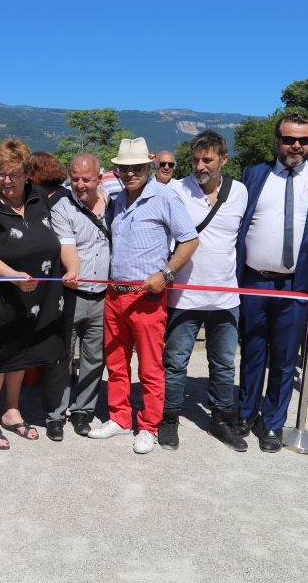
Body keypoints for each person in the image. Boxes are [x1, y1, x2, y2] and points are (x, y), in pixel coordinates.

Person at [235, 113, 308, 452]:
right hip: (253, 282)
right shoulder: (254, 175)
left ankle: (272, 424)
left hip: (296, 286)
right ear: (277, 140)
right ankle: (245, 412)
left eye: (303, 140)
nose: (296, 146)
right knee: (252, 350)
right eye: (289, 139)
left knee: (284, 359)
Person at [89, 138, 198, 454]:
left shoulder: (165, 197)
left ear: (148, 167)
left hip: (147, 296)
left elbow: (189, 241)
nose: (131, 172)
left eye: (137, 167)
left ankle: (149, 425)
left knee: (150, 366)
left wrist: (166, 274)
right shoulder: (116, 199)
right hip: (115, 293)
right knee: (116, 362)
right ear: (118, 169)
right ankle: (120, 419)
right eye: (125, 168)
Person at [156, 131, 248, 452]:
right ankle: (169, 418)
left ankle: (222, 418)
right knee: (175, 361)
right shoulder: (177, 190)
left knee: (224, 363)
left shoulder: (240, 192)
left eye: (207, 159)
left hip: (225, 295)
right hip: (185, 294)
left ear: (223, 159)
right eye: (195, 159)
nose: (200, 165)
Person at [0, 138, 66, 450]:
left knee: (22, 352)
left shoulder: (38, 196)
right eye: (1, 173)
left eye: (13, 174)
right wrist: (12, 276)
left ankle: (12, 411)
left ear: (27, 173)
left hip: (34, 295)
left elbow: (53, 239)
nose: (6, 180)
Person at [50, 153, 111, 437]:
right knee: (62, 356)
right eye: (74, 179)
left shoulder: (113, 201)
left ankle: (83, 410)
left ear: (99, 178)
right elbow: (67, 246)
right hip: (72, 294)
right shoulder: (62, 207)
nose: (79, 184)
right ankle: (55, 414)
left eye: (86, 179)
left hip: (103, 296)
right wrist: (73, 270)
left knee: (94, 358)